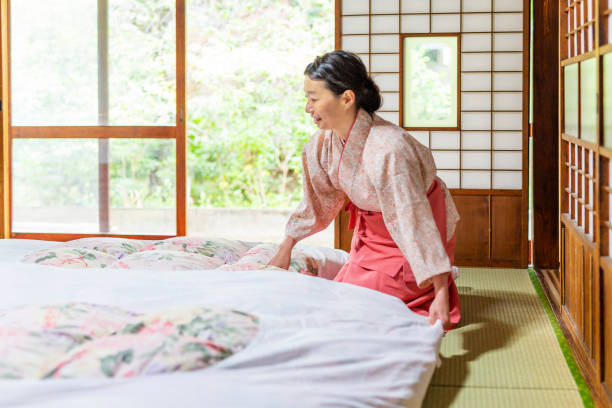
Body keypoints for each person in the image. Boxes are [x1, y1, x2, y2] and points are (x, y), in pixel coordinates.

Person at [268, 50, 461, 330]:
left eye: (313, 99)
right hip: (372, 239)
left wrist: (441, 292)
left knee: (360, 307)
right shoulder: (321, 144)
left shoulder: (388, 149)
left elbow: (414, 221)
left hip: (412, 238)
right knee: (343, 297)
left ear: (346, 98)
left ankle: (434, 283)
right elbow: (317, 203)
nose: (308, 108)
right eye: (306, 99)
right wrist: (285, 248)